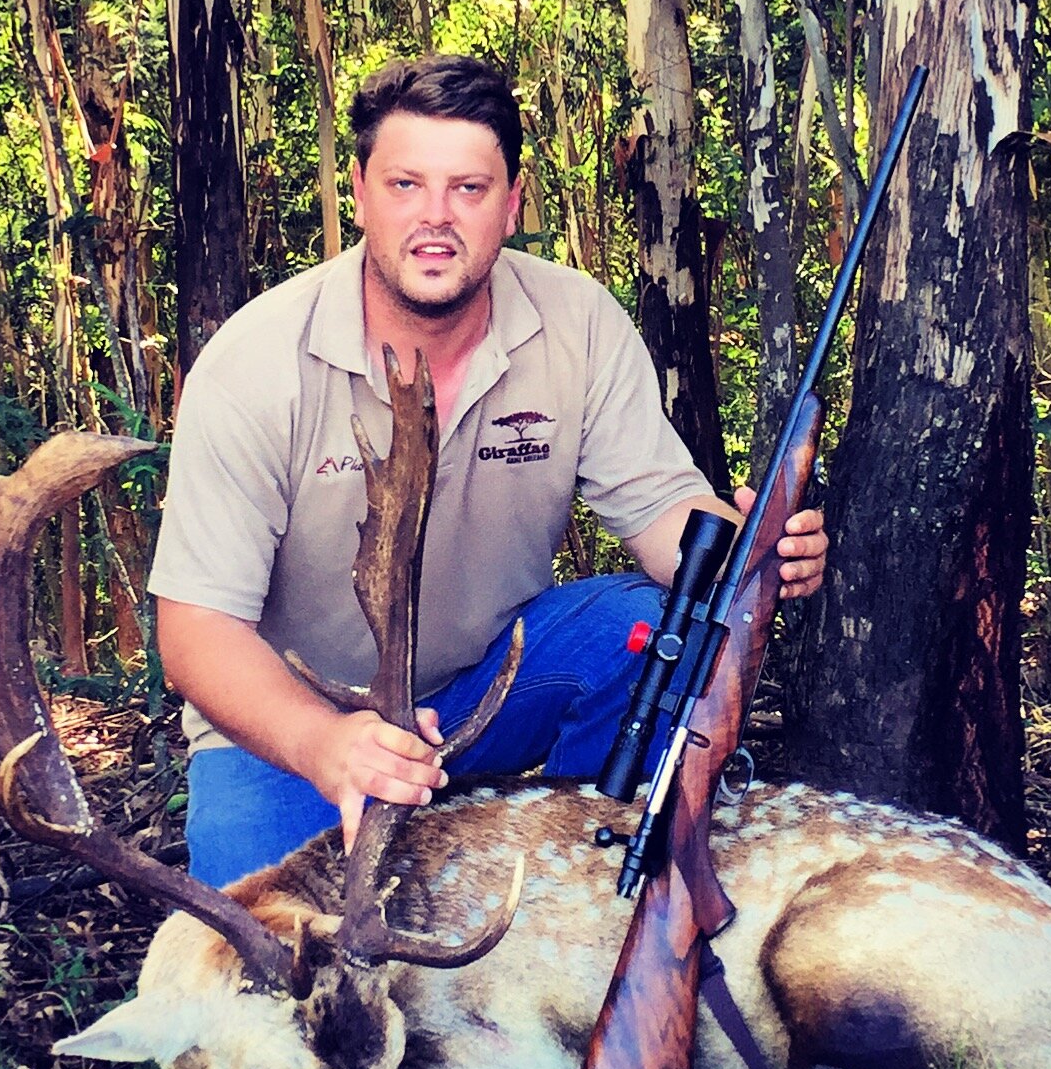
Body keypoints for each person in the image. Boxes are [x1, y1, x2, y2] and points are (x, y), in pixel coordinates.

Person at [149, 53, 828, 886]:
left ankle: (584, 882)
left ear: (511, 203)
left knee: (655, 631)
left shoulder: (575, 322)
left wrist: (750, 548)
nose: (435, 217)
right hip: (298, 732)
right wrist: (326, 746)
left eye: (468, 189)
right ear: (357, 192)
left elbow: (664, 511)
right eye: (405, 185)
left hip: (490, 689)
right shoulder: (256, 363)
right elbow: (194, 632)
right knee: (271, 963)